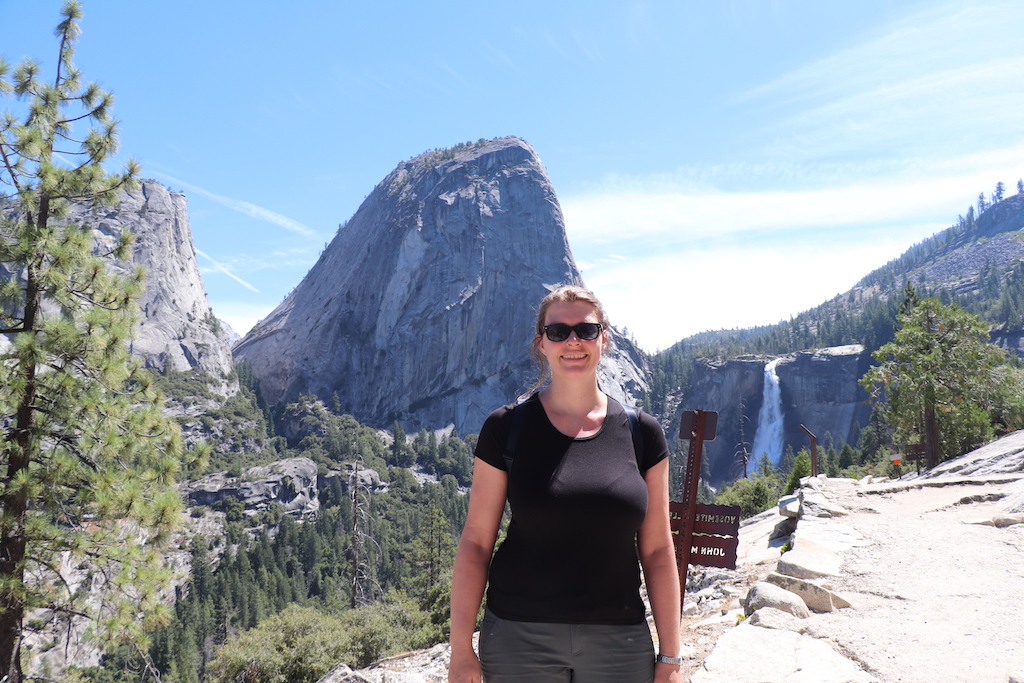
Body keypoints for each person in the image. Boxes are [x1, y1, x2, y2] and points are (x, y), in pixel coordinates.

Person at [448, 285, 683, 683]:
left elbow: (659, 550)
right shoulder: (506, 428)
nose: (573, 341)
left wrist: (672, 658)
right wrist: (459, 651)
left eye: (586, 330)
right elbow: (475, 542)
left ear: (604, 339)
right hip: (517, 639)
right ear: (541, 342)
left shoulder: (643, 433)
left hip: (619, 640)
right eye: (558, 332)